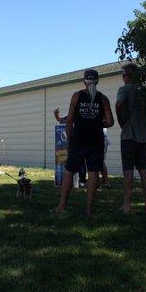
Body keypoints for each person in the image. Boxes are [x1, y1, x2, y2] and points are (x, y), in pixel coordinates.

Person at [53, 69, 114, 217]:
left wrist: (67, 141)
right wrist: (97, 123)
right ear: (97, 81)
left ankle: (62, 206)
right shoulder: (103, 99)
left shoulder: (76, 96)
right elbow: (110, 122)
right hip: (96, 141)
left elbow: (69, 121)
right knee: (93, 173)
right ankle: (89, 210)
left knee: (68, 172)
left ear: (84, 82)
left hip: (78, 141)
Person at [116, 63, 146, 213]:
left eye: (124, 75)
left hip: (128, 136)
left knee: (128, 170)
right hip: (143, 137)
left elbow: (119, 105)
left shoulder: (124, 89)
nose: (123, 77)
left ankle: (127, 204)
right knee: (143, 169)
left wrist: (120, 120)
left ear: (128, 76)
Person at [53, 107, 87, 187]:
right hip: (70, 144)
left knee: (82, 162)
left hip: (81, 143)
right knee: (70, 162)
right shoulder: (69, 116)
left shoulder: (83, 116)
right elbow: (59, 120)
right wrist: (56, 114)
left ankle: (82, 180)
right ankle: (69, 180)